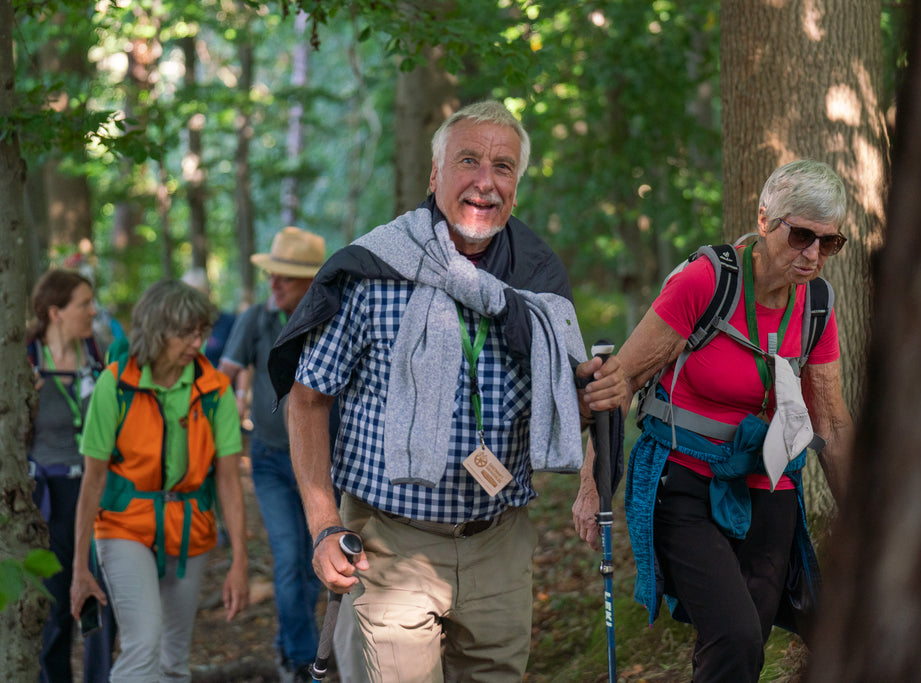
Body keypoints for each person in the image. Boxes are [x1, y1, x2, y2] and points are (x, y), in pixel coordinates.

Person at [265, 100, 626, 683]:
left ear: (517, 186)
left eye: (504, 167)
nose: (486, 181)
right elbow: (308, 399)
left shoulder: (537, 284)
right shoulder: (373, 271)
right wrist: (324, 525)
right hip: (389, 545)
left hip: (501, 543)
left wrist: (598, 405)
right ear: (434, 176)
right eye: (468, 161)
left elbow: (564, 403)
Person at [573, 159, 854, 682]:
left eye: (830, 243)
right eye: (800, 236)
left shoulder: (817, 304)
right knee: (736, 634)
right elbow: (621, 380)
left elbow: (834, 427)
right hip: (683, 484)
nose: (813, 254)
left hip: (768, 487)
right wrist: (593, 485)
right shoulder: (709, 280)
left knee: (745, 643)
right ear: (765, 219)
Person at [69, 278, 249, 682]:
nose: (197, 343)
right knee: (144, 643)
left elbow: (228, 483)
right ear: (156, 329)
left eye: (201, 331)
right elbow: (93, 481)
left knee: (174, 659)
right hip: (123, 526)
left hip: (190, 530)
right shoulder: (114, 384)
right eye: (186, 332)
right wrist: (81, 567)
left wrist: (240, 560)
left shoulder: (215, 390)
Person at [220, 226, 366, 683]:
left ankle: (294, 644)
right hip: (269, 460)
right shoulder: (255, 320)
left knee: (314, 560)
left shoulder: (335, 318)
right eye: (273, 275)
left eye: (286, 276)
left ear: (311, 283)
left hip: (328, 461)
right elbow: (220, 378)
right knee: (287, 557)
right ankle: (303, 660)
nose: (274, 284)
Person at [26, 269, 116, 683]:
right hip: (49, 495)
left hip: (100, 488)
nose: (92, 310)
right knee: (56, 609)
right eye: (83, 303)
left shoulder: (99, 352)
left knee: (104, 602)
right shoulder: (25, 359)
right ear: (55, 311)